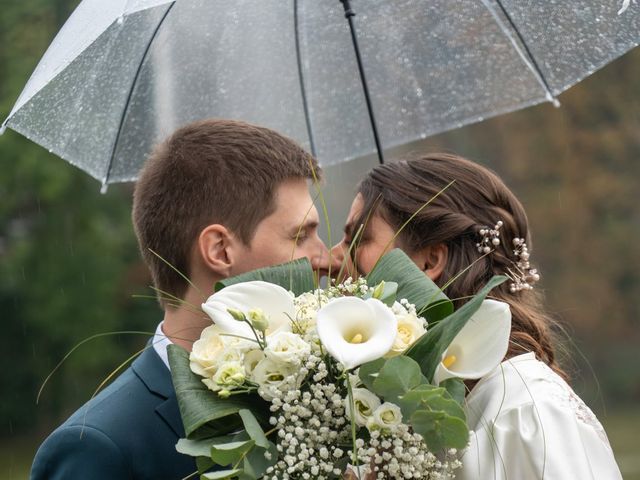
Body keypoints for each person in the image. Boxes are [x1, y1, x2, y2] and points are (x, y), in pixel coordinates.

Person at [30, 119, 338, 479]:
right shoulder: (100, 447)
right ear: (220, 250)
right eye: (300, 235)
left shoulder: (319, 403)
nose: (327, 259)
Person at [332, 153, 622, 479]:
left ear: (430, 262)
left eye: (358, 238)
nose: (332, 259)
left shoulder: (526, 413)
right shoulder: (410, 417)